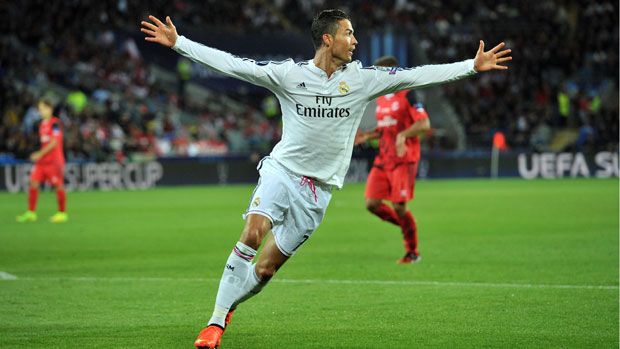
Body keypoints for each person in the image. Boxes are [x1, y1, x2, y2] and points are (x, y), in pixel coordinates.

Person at [141, 9, 511, 348]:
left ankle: (229, 305)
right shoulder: (290, 75)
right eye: (349, 33)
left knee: (266, 270)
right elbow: (235, 65)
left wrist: (471, 67)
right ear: (328, 39)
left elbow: (417, 75)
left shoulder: (364, 80)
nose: (355, 41)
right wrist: (180, 44)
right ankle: (215, 323)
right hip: (282, 172)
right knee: (253, 232)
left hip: (318, 194)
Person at [354, 56, 429, 264]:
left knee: (399, 207)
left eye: (380, 72)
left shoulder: (409, 94)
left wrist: (404, 135)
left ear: (392, 73)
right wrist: (368, 136)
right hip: (383, 159)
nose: (376, 77)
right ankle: (408, 226)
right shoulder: (382, 99)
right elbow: (386, 128)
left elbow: (424, 124)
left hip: (404, 159)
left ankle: (412, 252)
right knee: (372, 203)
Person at [16, 97, 68, 223]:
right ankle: (31, 213)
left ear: (50, 109)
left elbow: (54, 142)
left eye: (44, 108)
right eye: (40, 109)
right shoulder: (42, 124)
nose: (41, 111)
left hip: (54, 161)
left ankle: (62, 213)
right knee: (33, 182)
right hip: (42, 162)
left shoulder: (55, 123)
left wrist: (39, 153)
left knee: (58, 186)